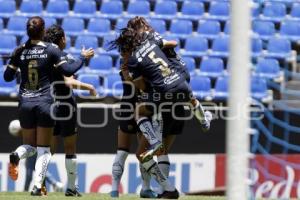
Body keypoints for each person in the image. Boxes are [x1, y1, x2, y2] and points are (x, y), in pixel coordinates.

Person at [3, 16, 94, 196]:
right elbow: (68, 72)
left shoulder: (19, 50)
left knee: (30, 146)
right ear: (42, 31)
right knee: (46, 149)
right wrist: (83, 58)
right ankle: (41, 187)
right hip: (47, 103)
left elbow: (7, 77)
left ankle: (18, 155)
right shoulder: (52, 50)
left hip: (25, 102)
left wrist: (14, 60)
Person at [44, 24, 96, 197]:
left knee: (47, 149)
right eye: (64, 37)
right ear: (61, 40)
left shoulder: (44, 58)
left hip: (49, 105)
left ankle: (39, 186)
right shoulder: (61, 56)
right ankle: (72, 188)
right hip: (66, 106)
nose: (66, 40)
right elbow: (68, 81)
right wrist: (88, 86)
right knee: (70, 147)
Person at [8, 120, 64, 193]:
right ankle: (55, 184)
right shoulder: (30, 128)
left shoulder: (28, 131)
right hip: (39, 150)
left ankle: (25, 190)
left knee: (30, 172)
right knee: (39, 169)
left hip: (33, 150)